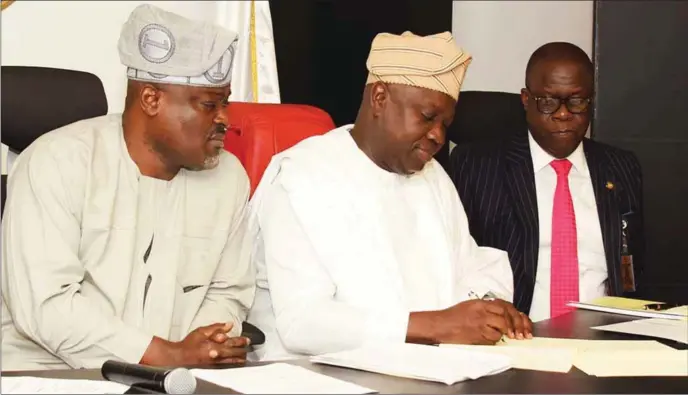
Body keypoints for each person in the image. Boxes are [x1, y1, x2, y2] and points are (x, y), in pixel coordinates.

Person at [246, 31, 532, 361]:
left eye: (445, 123)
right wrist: (436, 325)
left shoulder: (433, 177)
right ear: (380, 98)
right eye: (427, 117)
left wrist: (487, 309)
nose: (438, 135)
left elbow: (470, 265)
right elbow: (303, 323)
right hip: (318, 378)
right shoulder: (301, 177)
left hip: (430, 370)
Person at [1, 4, 256, 370]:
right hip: (51, 375)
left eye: (225, 103)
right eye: (209, 104)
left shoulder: (228, 177)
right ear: (151, 99)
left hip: (171, 377)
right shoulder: (57, 162)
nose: (225, 119)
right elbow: (47, 307)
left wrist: (202, 347)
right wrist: (163, 353)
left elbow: (228, 291)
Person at [449, 42, 644, 322]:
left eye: (576, 101)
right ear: (526, 100)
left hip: (605, 343)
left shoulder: (620, 168)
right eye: (548, 102)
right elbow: (459, 263)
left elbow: (631, 269)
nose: (563, 114)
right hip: (516, 339)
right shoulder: (478, 165)